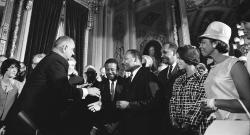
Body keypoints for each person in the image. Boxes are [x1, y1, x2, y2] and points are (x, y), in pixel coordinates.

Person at [5, 36, 100, 135]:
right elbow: (63, 91)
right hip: (29, 120)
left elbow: (54, 90)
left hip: (26, 117)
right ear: (65, 48)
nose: (73, 53)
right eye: (72, 49)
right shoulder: (57, 60)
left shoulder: (50, 58)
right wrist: (87, 91)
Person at [199, 21, 250, 123]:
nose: (200, 46)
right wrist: (210, 109)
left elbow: (248, 103)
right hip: (220, 125)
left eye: (203, 42)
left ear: (215, 43)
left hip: (237, 126)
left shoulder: (234, 65)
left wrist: (215, 103)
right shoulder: (213, 67)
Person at [116, 49, 160, 135]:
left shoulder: (149, 76)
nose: (122, 62)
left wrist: (129, 105)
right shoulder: (128, 80)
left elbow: (155, 101)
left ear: (135, 60)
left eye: (126, 59)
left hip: (144, 128)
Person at [170, 45, 208, 135]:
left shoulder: (204, 78)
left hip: (198, 129)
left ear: (188, 58)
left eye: (179, 58)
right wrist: (173, 118)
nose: (177, 61)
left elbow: (201, 102)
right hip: (179, 129)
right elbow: (173, 100)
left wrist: (188, 123)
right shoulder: (178, 80)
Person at [157, 42, 184, 134]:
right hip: (165, 120)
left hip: (182, 120)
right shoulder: (161, 74)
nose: (161, 55)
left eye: (165, 52)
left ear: (175, 53)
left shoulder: (184, 71)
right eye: (161, 53)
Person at [98, 58, 126, 135]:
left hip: (121, 126)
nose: (109, 72)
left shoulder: (125, 84)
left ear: (117, 70)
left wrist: (115, 125)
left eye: (112, 69)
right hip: (104, 126)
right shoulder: (100, 85)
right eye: (107, 70)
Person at [0, 59, 23, 135]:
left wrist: (5, 126)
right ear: (5, 68)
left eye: (17, 68)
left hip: (3, 124)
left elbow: (13, 108)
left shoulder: (15, 89)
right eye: (12, 67)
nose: (15, 70)